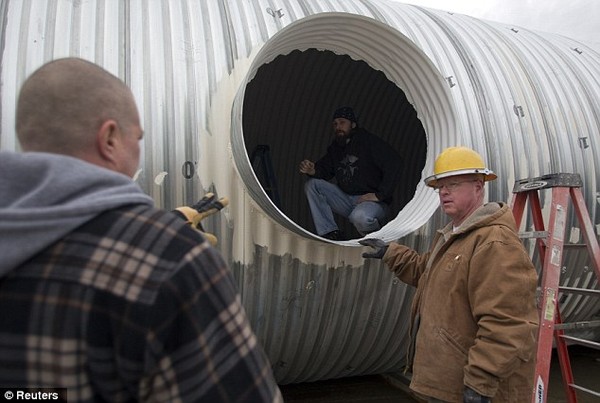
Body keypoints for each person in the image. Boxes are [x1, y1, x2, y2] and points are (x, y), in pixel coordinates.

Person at [0, 58, 282, 402]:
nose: (138, 149)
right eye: (138, 138)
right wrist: (158, 239)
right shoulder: (171, 260)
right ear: (110, 139)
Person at [361, 146, 539, 402]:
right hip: (445, 383)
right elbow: (429, 273)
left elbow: (507, 322)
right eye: (440, 186)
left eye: (453, 184)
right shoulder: (455, 234)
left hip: (467, 389)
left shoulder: (494, 243)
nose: (443, 192)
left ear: (478, 186)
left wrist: (480, 383)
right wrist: (390, 253)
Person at [299, 106, 402, 240]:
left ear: (353, 124)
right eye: (335, 124)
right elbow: (325, 170)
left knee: (360, 218)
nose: (338, 127)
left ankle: (378, 243)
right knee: (312, 185)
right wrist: (312, 170)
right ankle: (329, 232)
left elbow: (394, 162)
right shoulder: (336, 148)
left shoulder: (369, 142)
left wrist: (379, 195)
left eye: (342, 122)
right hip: (346, 199)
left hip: (372, 203)